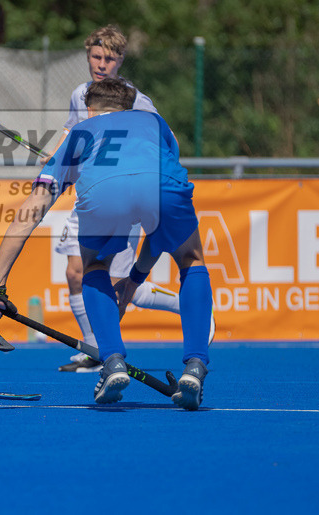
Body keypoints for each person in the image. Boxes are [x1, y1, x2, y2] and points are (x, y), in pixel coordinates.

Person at [0, 78, 213, 410]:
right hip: (163, 187)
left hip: (104, 192)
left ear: (89, 109)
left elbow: (30, 213)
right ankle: (196, 366)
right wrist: (135, 279)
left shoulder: (79, 132)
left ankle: (113, 362)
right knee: (191, 260)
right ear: (129, 107)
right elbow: (157, 223)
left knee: (94, 266)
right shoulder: (155, 122)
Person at [49, 25, 210, 372]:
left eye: (109, 58)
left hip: (128, 196)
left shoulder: (136, 100)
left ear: (121, 60)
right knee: (76, 272)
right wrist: (59, 164)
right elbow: (72, 133)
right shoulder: (80, 94)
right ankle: (96, 349)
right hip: (91, 195)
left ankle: (188, 308)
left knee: (119, 284)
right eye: (96, 56)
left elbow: (163, 142)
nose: (101, 64)